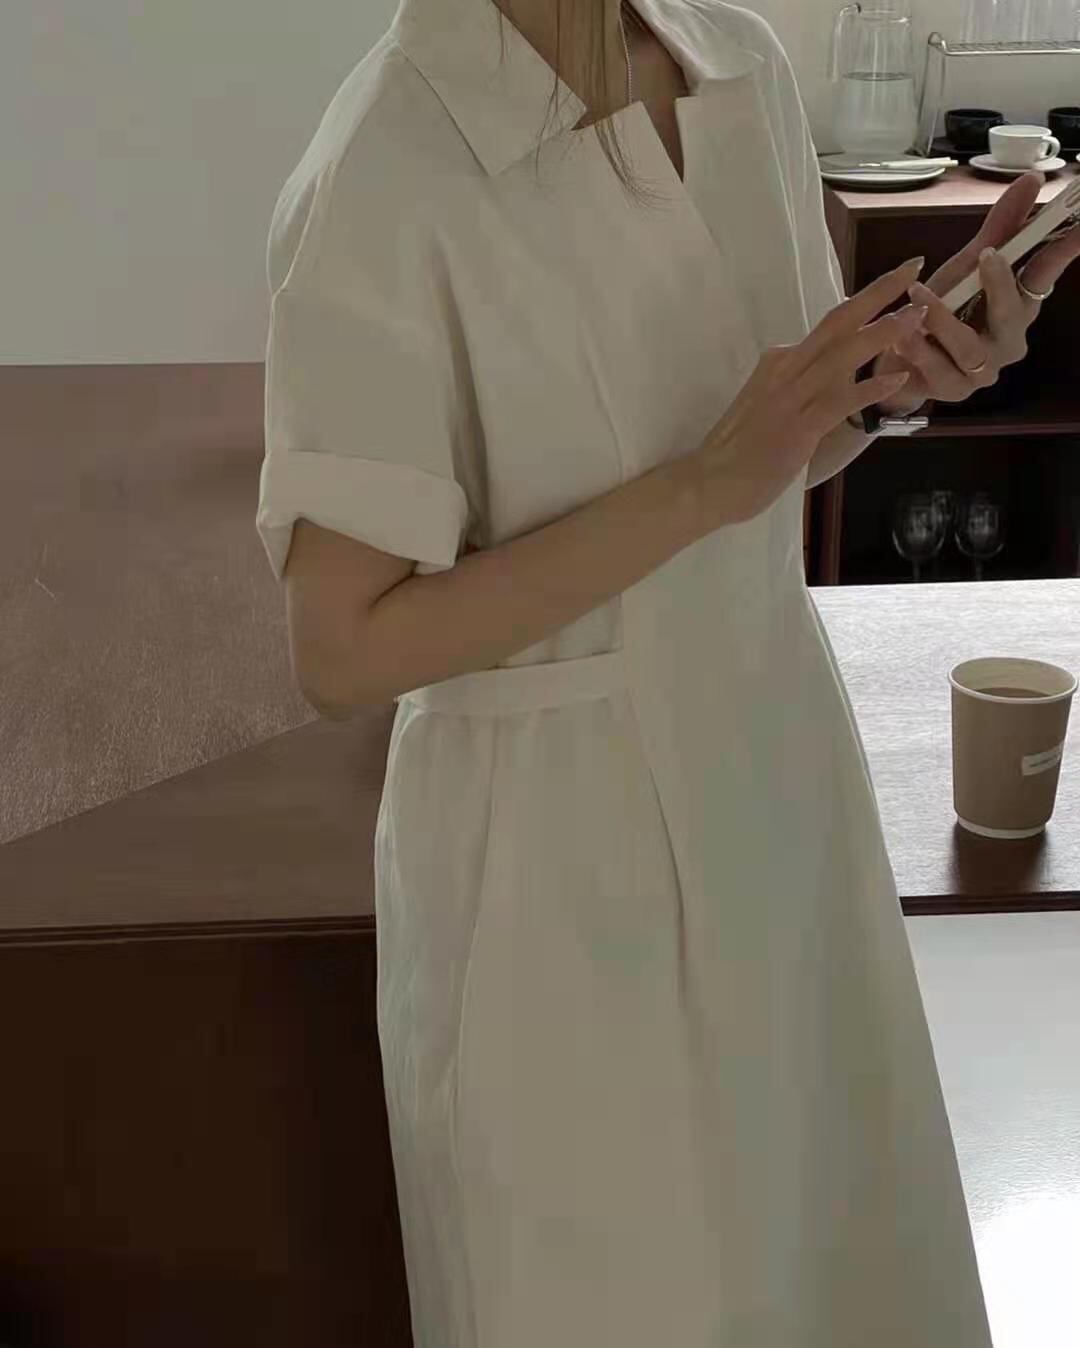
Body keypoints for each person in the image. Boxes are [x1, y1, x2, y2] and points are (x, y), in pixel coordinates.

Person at [256, 0, 1080, 1343]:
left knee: (831, 1267)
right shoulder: (384, 167)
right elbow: (342, 646)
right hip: (548, 867)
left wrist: (902, 382)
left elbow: (781, 451)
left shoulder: (738, 63)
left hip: (778, 778)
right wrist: (704, 483)